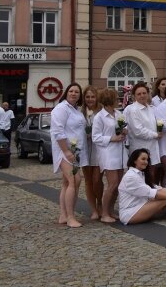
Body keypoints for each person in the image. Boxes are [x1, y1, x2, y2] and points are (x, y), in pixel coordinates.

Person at [50, 83, 85, 228]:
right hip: (64, 150)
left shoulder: (76, 110)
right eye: (71, 91)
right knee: (74, 180)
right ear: (66, 93)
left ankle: (63, 215)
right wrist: (66, 151)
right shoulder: (61, 108)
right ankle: (70, 217)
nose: (74, 93)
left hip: (75, 151)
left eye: (77, 92)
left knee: (66, 182)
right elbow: (58, 131)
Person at [92, 88, 127, 223]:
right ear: (109, 101)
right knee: (112, 184)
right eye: (116, 98)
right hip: (108, 153)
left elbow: (123, 129)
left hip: (120, 152)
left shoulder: (118, 114)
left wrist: (124, 131)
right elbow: (96, 137)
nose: (118, 100)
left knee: (118, 185)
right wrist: (112, 138)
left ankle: (111, 210)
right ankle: (105, 212)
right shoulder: (99, 117)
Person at [126, 82, 163, 185]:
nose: (142, 95)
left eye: (144, 93)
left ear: (148, 94)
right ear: (134, 96)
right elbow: (138, 131)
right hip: (140, 149)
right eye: (139, 94)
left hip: (152, 148)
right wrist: (156, 135)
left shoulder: (151, 109)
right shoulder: (133, 110)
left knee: (151, 177)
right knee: (140, 179)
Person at [81, 86, 103, 219]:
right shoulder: (80, 112)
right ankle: (93, 209)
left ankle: (100, 202)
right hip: (85, 148)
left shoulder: (101, 112)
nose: (90, 99)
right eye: (88, 97)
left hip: (98, 150)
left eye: (92, 97)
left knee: (97, 179)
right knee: (88, 181)